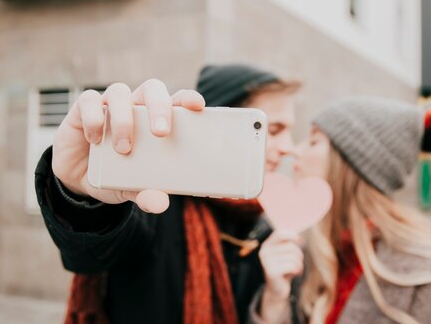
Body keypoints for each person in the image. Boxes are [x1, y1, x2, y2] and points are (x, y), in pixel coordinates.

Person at [34, 63, 300, 324]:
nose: (289, 147)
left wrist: (274, 301)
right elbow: (91, 252)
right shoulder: (152, 203)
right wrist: (79, 194)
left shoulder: (264, 225)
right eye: (271, 130)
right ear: (221, 128)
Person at [254, 97, 431, 324]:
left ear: (349, 165)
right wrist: (274, 300)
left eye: (314, 141)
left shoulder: (425, 272)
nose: (295, 151)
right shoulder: (314, 253)